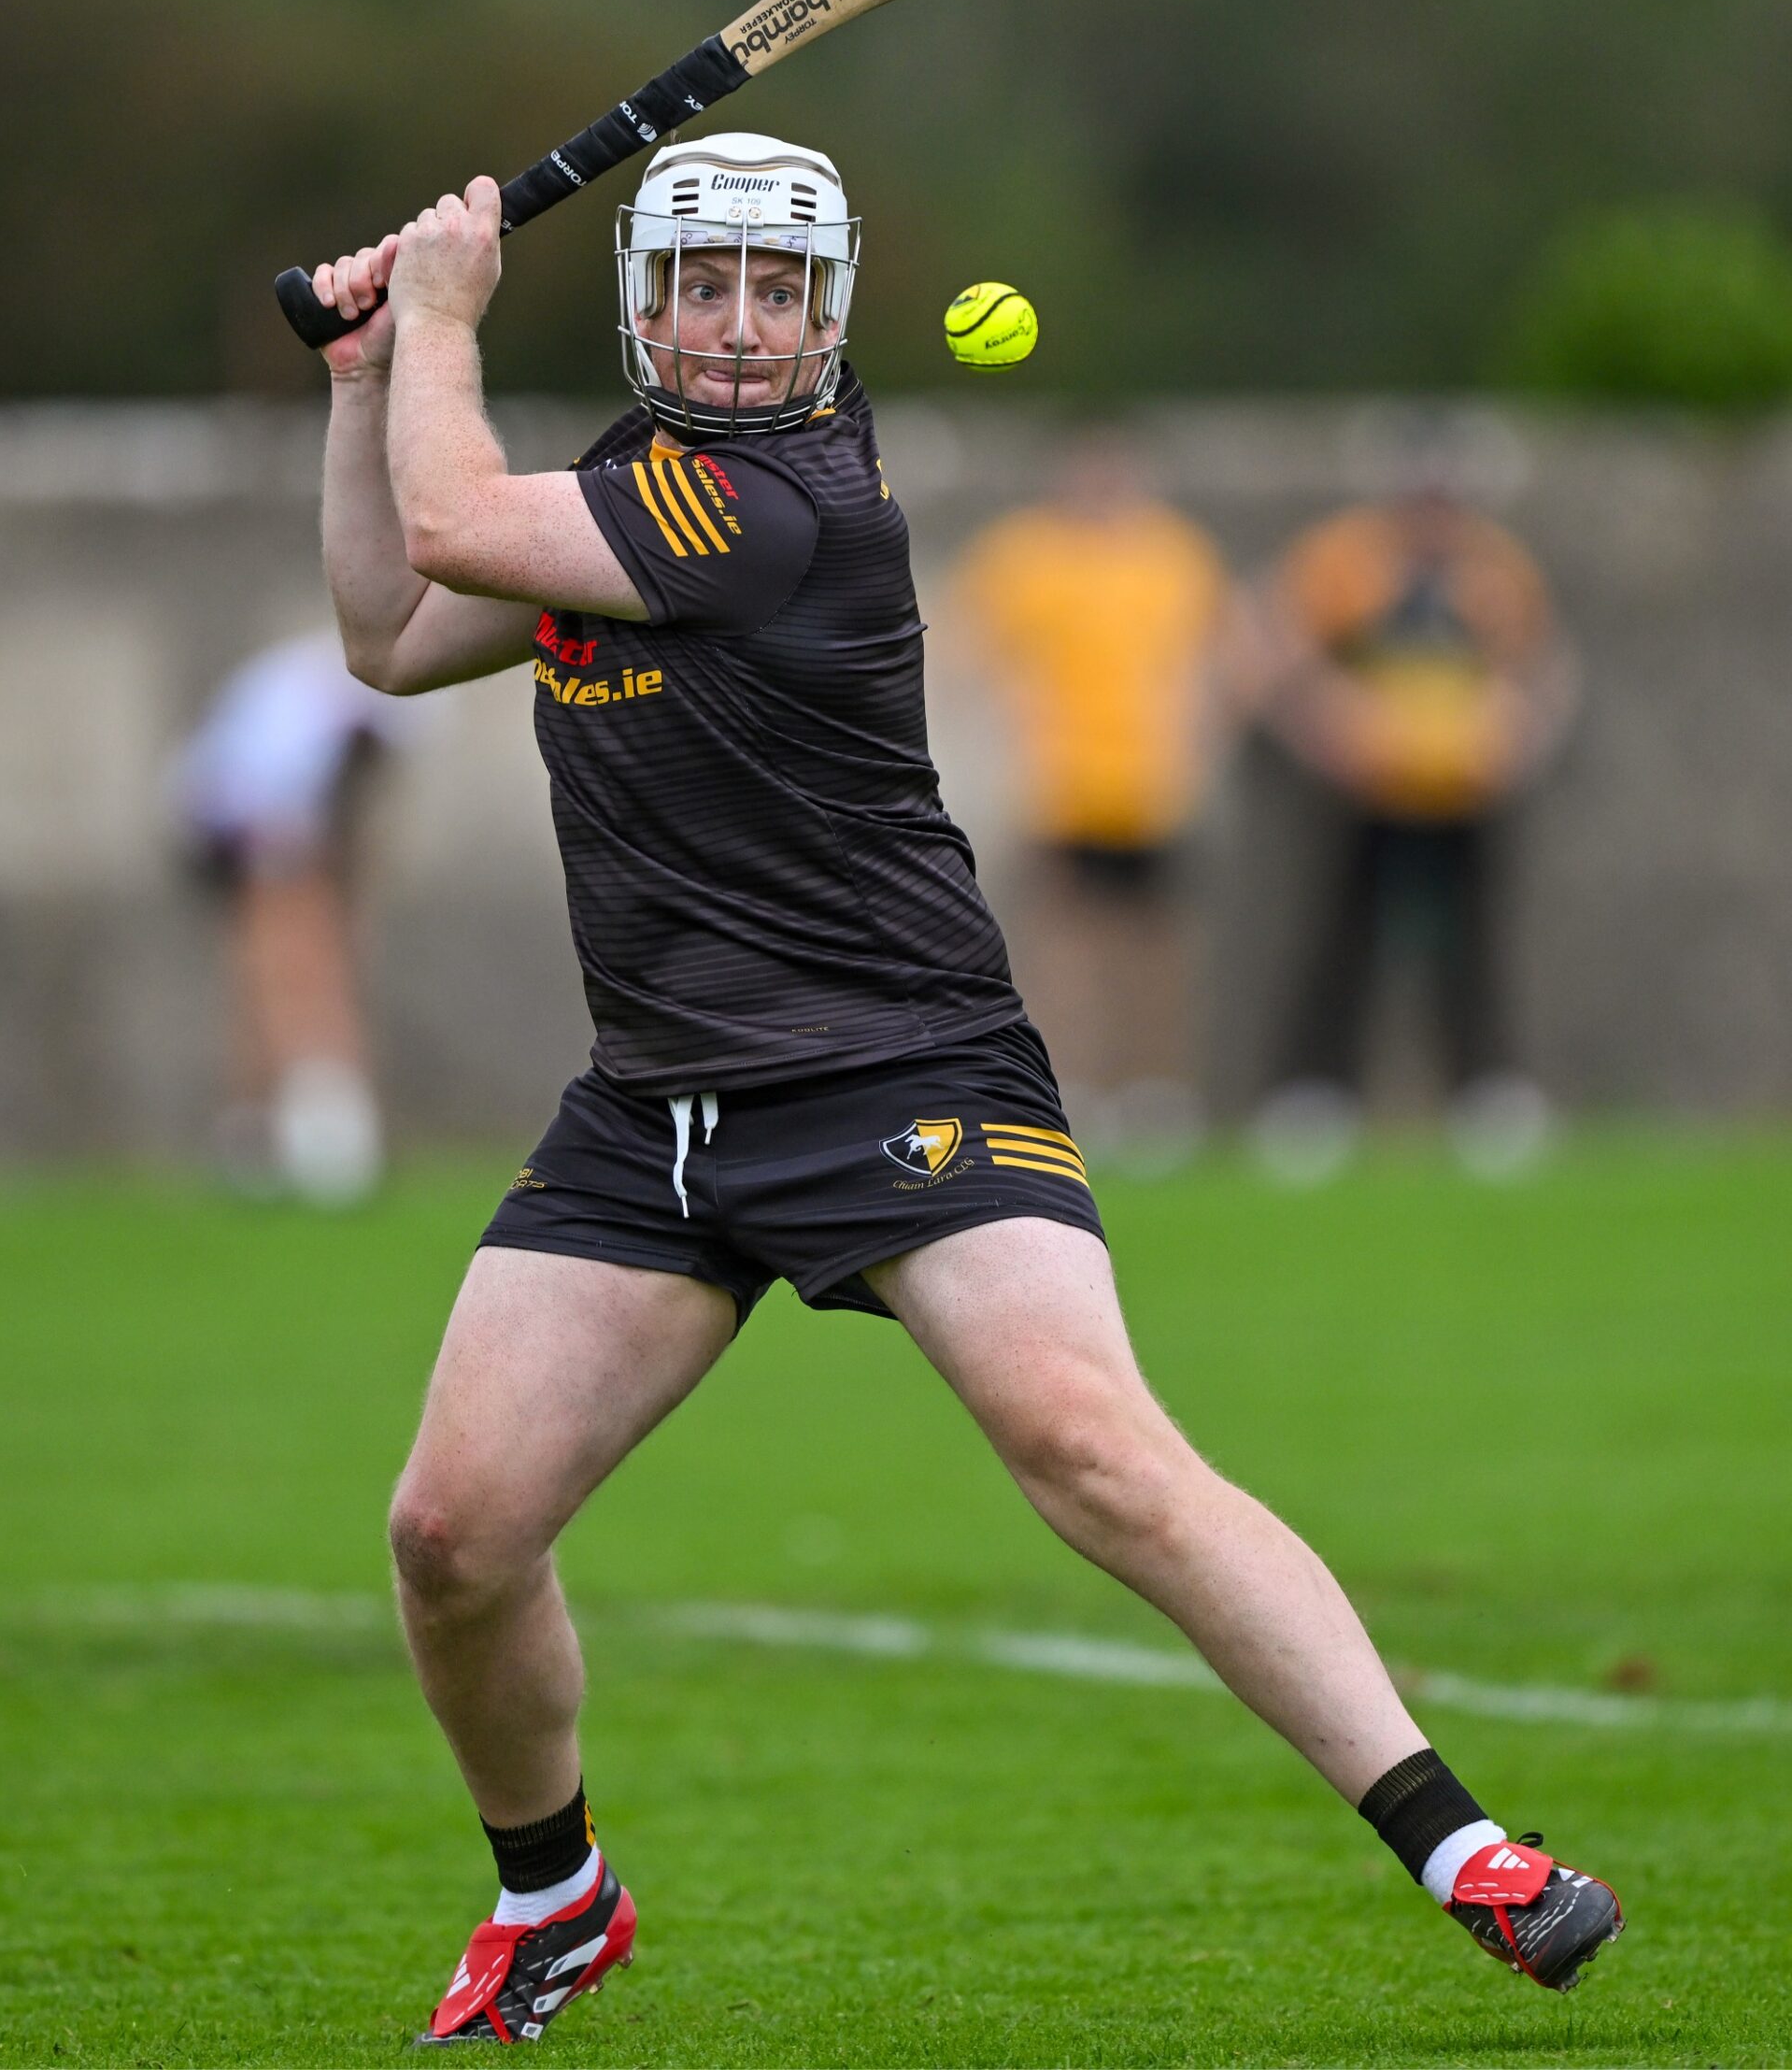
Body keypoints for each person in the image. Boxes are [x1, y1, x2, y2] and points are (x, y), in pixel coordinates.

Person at [309, 136, 1621, 2046]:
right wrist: (363, 385)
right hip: (658, 1109)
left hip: (896, 1066)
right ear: (648, 302)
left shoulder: (780, 504)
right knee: (451, 1536)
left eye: (776, 291)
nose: (738, 324)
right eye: (703, 284)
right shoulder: (622, 484)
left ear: (826, 316)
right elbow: (387, 632)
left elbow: (445, 528)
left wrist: (438, 313)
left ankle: (1462, 1844)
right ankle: (554, 1894)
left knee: (1091, 1449)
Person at [1244, 449, 1576, 1181]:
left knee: (1473, 944)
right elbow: (1273, 647)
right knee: (1341, 940)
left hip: (1464, 792)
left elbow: (1544, 664)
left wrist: (1522, 734)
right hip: (1367, 791)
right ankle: (1315, 1093)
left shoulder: (1495, 569)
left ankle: (1486, 1091)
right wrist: (1323, 727)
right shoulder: (1345, 561)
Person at [948, 432, 1229, 1161]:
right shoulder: (1024, 556)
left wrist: (1194, 740)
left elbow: (1213, 658)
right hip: (1062, 787)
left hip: (1153, 787)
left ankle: (1154, 1089)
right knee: (1067, 948)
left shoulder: (1174, 554)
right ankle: (1073, 1085)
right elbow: (968, 653)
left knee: (1153, 948)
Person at [171, 629, 426, 1204]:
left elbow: (354, 817)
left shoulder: (349, 724)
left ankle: (257, 1131)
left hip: (280, 821)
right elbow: (262, 811)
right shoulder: (297, 727)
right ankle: (313, 1127)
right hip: (229, 821)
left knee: (303, 959)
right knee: (287, 965)